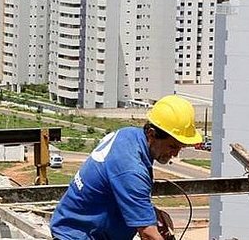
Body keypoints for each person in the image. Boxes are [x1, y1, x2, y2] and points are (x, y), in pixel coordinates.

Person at [50, 95, 202, 240]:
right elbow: (148, 235)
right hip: (79, 235)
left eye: (180, 147)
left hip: (75, 228)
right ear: (151, 134)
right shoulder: (131, 170)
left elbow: (121, 190)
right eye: (172, 146)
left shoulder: (128, 135)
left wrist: (152, 213)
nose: (175, 154)